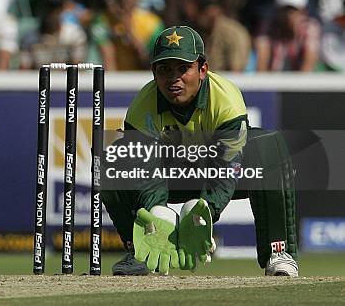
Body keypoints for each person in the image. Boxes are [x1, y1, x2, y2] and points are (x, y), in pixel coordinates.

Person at [103, 26, 298, 277]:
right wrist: (158, 213)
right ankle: (138, 250)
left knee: (268, 146)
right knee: (113, 155)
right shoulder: (142, 108)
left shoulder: (225, 98)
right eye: (164, 69)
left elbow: (228, 168)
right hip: (169, 177)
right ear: (153, 72)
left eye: (183, 68)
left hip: (217, 173)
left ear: (202, 69)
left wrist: (205, 211)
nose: (174, 78)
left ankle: (278, 252)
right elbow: (145, 174)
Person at [254, 0, 320, 71]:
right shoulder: (269, 26)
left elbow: (308, 67)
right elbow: (261, 62)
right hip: (273, 80)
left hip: (301, 82)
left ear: (303, 11)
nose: (289, 15)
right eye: (285, 10)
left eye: (294, 10)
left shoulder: (310, 28)